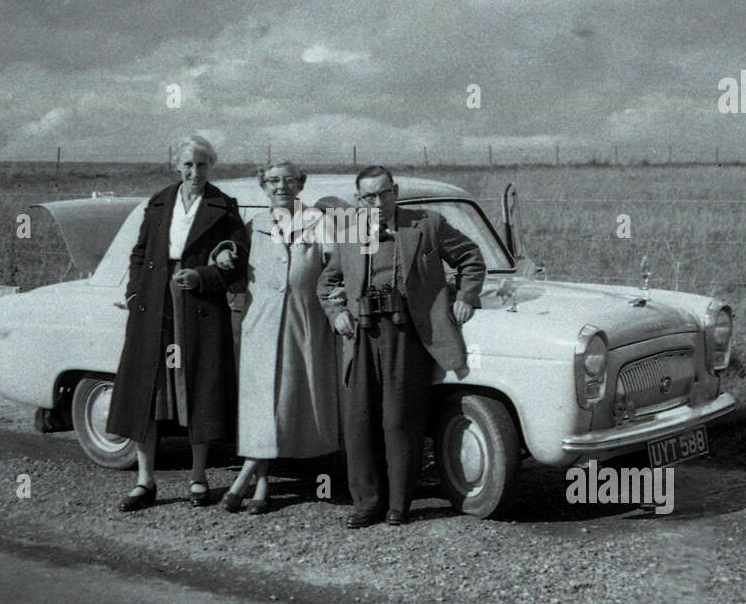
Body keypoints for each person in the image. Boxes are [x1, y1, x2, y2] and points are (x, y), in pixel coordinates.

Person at [317, 165, 485, 527]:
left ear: (395, 191)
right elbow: (326, 282)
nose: (377, 202)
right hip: (362, 334)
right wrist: (336, 313)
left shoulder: (427, 224)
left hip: (407, 335)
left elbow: (471, 257)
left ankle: (399, 505)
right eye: (368, 196)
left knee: (399, 421)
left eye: (384, 193)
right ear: (359, 199)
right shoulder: (349, 233)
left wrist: (467, 297)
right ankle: (367, 503)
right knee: (360, 422)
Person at [105, 134, 248, 511]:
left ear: (211, 166)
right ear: (177, 166)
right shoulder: (158, 202)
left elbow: (239, 262)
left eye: (202, 165)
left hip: (199, 307)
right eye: (188, 164)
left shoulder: (223, 205)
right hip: (154, 306)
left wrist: (203, 276)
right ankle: (145, 480)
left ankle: (198, 478)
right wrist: (136, 293)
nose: (195, 172)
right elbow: (139, 253)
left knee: (197, 388)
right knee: (147, 391)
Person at [216, 161, 341, 515]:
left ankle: (247, 480)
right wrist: (224, 254)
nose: (280, 186)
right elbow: (233, 262)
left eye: (288, 180)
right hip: (261, 321)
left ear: (301, 184)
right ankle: (259, 483)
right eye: (273, 181)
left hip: (305, 322)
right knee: (259, 405)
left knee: (286, 402)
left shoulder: (319, 223)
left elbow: (335, 268)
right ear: (264, 187)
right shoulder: (254, 225)